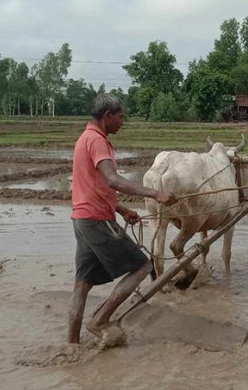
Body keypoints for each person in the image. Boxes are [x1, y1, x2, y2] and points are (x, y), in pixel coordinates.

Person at [68, 94, 177, 346]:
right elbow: (112, 180)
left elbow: (91, 187)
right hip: (97, 221)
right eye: (120, 116)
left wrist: (122, 209)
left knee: (82, 284)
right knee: (143, 267)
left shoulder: (83, 138)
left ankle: (72, 344)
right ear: (107, 116)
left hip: (82, 220)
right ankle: (101, 320)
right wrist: (155, 193)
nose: (122, 122)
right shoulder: (97, 141)